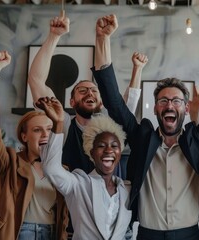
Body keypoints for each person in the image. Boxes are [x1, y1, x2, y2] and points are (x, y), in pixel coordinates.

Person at [92, 14, 199, 239]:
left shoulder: (197, 139)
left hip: (190, 235)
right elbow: (114, 104)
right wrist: (102, 39)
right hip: (146, 235)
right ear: (155, 109)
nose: (169, 105)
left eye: (176, 101)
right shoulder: (142, 138)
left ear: (185, 108)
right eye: (163, 101)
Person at [27, 13, 147, 174]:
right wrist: (54, 36)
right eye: (82, 91)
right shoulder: (65, 126)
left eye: (94, 90)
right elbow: (36, 81)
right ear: (72, 102)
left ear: (102, 102)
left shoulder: (111, 125)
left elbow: (128, 103)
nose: (89, 93)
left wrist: (137, 69)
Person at [0, 51, 68, 240]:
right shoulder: (10, 163)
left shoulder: (63, 171)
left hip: (52, 234)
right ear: (24, 136)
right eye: (37, 130)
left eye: (49, 129)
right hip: (18, 233)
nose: (45, 134)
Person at [36, 96, 132, 240]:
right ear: (91, 152)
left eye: (114, 146)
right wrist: (58, 123)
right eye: (101, 146)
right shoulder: (78, 184)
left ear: (120, 152)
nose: (108, 150)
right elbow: (51, 168)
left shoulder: (126, 189)